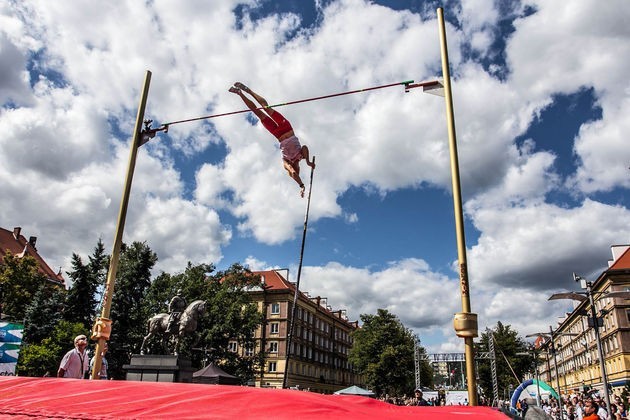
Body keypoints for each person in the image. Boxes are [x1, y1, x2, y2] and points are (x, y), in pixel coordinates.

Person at [229, 82, 316, 197]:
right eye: (296, 168)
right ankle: (247, 90)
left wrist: (301, 185)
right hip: (287, 128)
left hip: (278, 134)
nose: (295, 168)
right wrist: (308, 162)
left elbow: (293, 173)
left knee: (258, 113)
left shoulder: (286, 162)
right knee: (267, 108)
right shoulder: (301, 156)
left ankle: (239, 93)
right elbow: (305, 147)